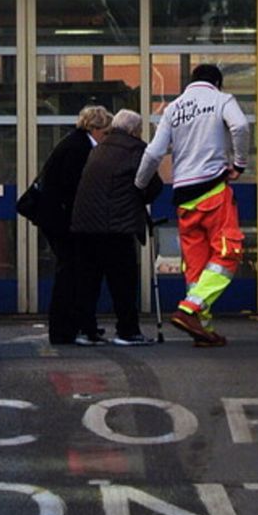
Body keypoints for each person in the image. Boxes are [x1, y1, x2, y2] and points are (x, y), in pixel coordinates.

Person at [135, 63, 250, 347]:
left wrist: (138, 186)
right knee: (227, 253)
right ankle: (190, 310)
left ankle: (203, 330)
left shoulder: (173, 109)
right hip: (213, 190)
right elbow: (241, 126)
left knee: (197, 268)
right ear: (218, 83)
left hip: (184, 196)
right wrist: (239, 164)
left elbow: (153, 153)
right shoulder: (221, 100)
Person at [71, 109, 163, 346]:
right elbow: (153, 185)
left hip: (86, 225)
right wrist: (140, 197)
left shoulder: (99, 148)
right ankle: (127, 330)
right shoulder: (135, 150)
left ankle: (87, 330)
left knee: (89, 280)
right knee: (123, 281)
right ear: (134, 130)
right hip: (116, 226)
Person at [35, 105, 113, 344]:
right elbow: (71, 189)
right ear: (94, 128)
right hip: (64, 221)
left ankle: (75, 325)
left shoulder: (75, 143)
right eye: (106, 132)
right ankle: (65, 329)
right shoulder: (79, 149)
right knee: (71, 274)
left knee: (72, 273)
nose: (106, 138)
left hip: (60, 218)